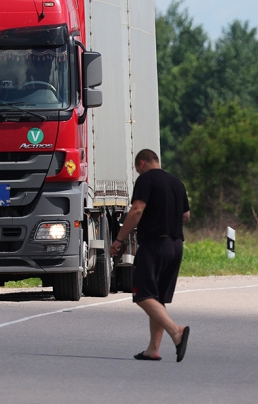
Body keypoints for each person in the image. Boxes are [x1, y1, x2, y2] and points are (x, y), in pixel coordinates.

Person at [109, 149, 191, 362]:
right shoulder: (177, 183)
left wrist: (119, 240)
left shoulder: (146, 180)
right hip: (176, 246)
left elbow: (137, 211)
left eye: (138, 169)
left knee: (143, 295)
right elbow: (186, 215)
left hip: (154, 245)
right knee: (158, 298)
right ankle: (153, 349)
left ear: (142, 163)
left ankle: (176, 332)